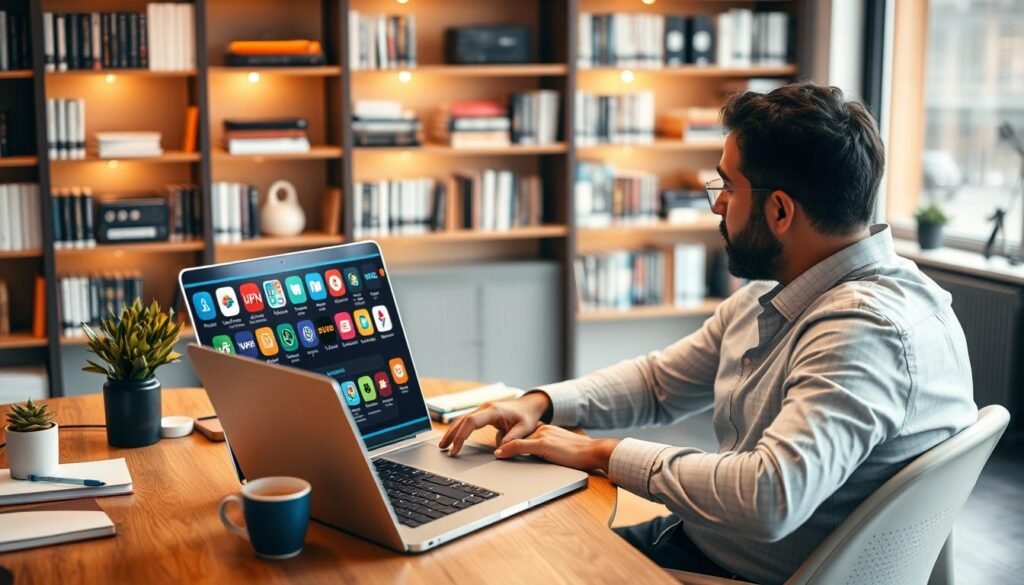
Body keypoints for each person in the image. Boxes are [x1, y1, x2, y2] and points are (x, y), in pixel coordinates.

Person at [439, 82, 978, 584]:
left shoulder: (864, 331)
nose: (717, 203)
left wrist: (602, 454)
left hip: (736, 574)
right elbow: (659, 383)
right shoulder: (787, 291)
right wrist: (542, 403)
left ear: (781, 209)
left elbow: (770, 496)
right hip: (705, 545)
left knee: (505, 565)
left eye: (728, 185)